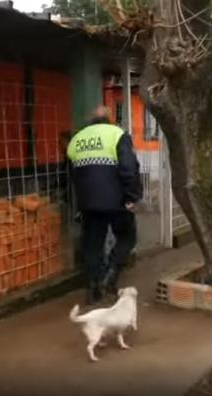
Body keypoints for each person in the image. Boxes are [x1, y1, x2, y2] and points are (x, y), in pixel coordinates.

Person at [67, 106, 142, 304]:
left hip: (88, 204)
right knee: (127, 237)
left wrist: (78, 204)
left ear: (90, 121)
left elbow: (70, 175)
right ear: (110, 120)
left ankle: (93, 289)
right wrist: (131, 197)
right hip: (116, 202)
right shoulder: (117, 134)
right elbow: (129, 168)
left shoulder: (77, 140)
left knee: (92, 244)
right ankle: (109, 275)